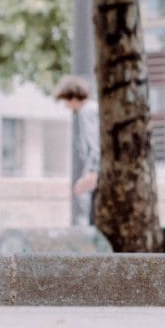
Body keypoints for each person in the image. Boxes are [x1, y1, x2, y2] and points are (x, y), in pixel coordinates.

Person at [54, 74, 99, 226]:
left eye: (66, 101)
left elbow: (95, 144)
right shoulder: (92, 109)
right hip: (98, 172)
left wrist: (91, 172)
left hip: (97, 174)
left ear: (73, 97)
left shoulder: (87, 112)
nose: (66, 106)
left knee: (94, 220)